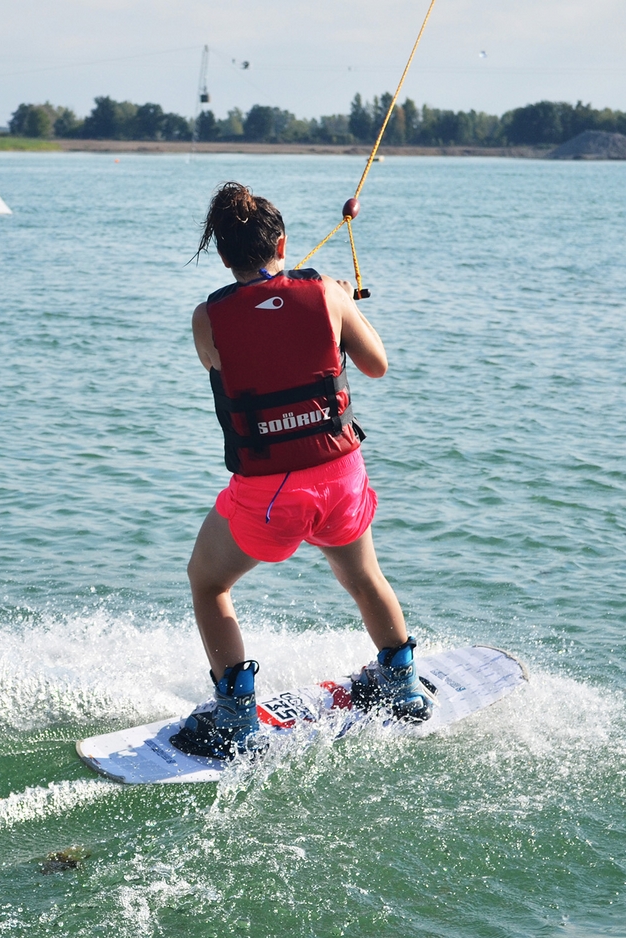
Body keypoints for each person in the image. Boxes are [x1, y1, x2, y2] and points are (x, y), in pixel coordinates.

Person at [170, 182, 432, 761]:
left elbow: (228, 356)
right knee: (365, 578)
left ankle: (236, 716)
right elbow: (377, 366)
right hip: (339, 475)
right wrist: (341, 302)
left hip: (268, 492)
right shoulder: (328, 295)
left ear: (222, 255)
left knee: (209, 581)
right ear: (283, 242)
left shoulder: (205, 319)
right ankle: (402, 683)